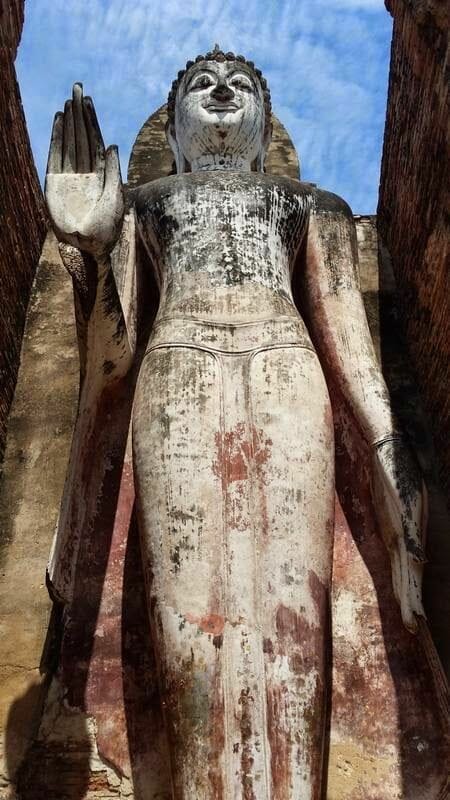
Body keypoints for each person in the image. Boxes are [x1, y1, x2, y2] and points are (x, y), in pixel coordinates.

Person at [45, 47, 428, 799]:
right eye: (202, 86)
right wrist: (93, 242)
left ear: (265, 121)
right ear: (177, 124)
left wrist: (389, 453)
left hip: (287, 371)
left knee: (295, 622)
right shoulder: (146, 208)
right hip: (177, 370)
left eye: (241, 85)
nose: (222, 92)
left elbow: (350, 346)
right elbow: (114, 354)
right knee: (186, 623)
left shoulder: (310, 207)